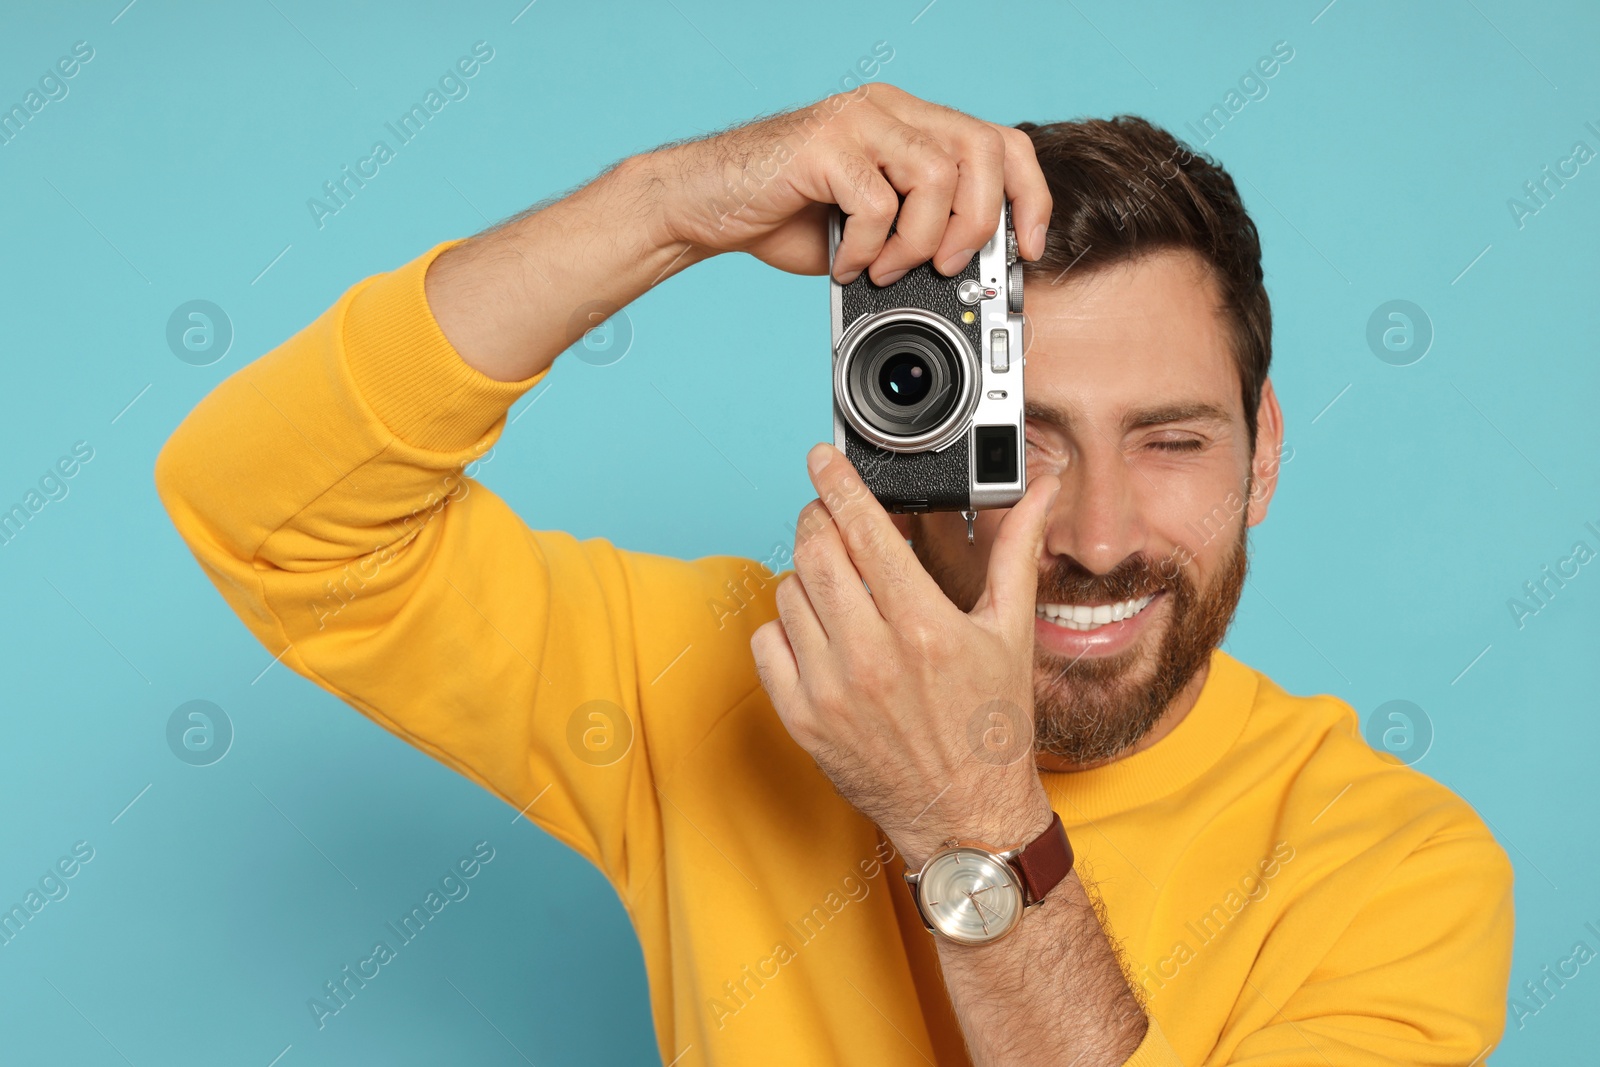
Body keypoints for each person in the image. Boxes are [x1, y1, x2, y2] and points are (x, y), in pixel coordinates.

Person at [156, 84, 1513, 1065]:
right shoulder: (725, 685)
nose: (1095, 533)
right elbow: (269, 507)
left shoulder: (1396, 870)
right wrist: (664, 205)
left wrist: (970, 824)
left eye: (1171, 440)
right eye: (1017, 446)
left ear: (1262, 456)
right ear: (903, 435)